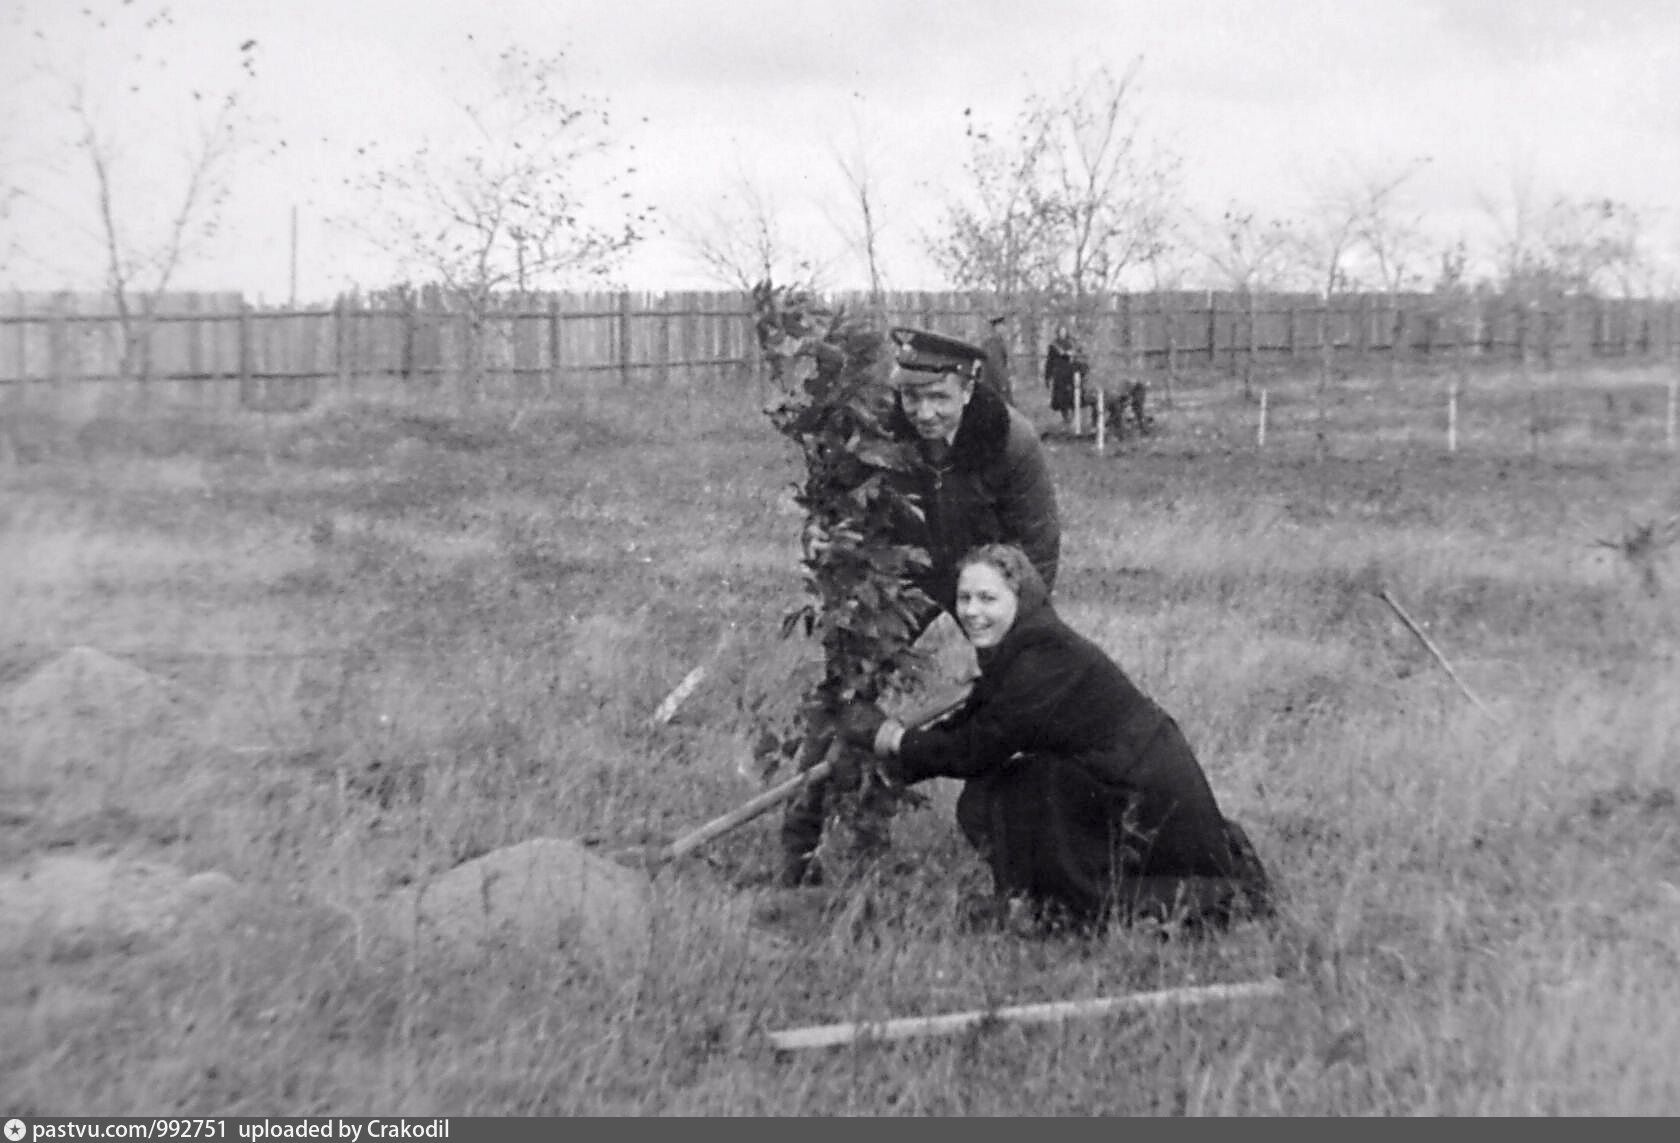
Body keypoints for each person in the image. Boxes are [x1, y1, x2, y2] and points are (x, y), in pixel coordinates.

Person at [834, 543, 1275, 934]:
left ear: (1021, 600)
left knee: (1017, 789)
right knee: (1013, 785)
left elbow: (976, 750)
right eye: (964, 598)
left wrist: (894, 740)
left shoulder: (1042, 658)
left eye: (988, 598)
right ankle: (1045, 901)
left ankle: (1085, 906)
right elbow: (971, 724)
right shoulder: (1024, 647)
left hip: (1147, 791)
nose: (971, 611)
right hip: (1121, 771)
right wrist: (891, 756)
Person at [776, 328, 1063, 887]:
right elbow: (836, 507)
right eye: (913, 397)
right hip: (901, 577)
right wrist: (826, 537)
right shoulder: (877, 433)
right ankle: (800, 845)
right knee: (844, 691)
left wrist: (1014, 631)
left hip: (984, 578)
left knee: (1034, 689)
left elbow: (1037, 551)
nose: (924, 413)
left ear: (967, 388)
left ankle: (1039, 841)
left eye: (939, 398)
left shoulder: (1009, 441)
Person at [1043, 325, 1086, 429]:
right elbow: (1050, 362)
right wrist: (1047, 377)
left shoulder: (1073, 344)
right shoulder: (1054, 346)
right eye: (1060, 331)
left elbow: (1080, 357)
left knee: (1074, 396)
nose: (1062, 333)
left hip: (1071, 374)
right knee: (1061, 398)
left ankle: (1075, 418)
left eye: (1064, 331)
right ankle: (1066, 418)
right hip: (1059, 375)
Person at [979, 314, 1014, 406]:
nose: (1004, 328)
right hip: (994, 385)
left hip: (992, 385)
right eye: (1002, 326)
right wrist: (1003, 384)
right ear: (996, 328)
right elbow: (997, 364)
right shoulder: (993, 343)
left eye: (1004, 325)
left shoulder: (996, 342)